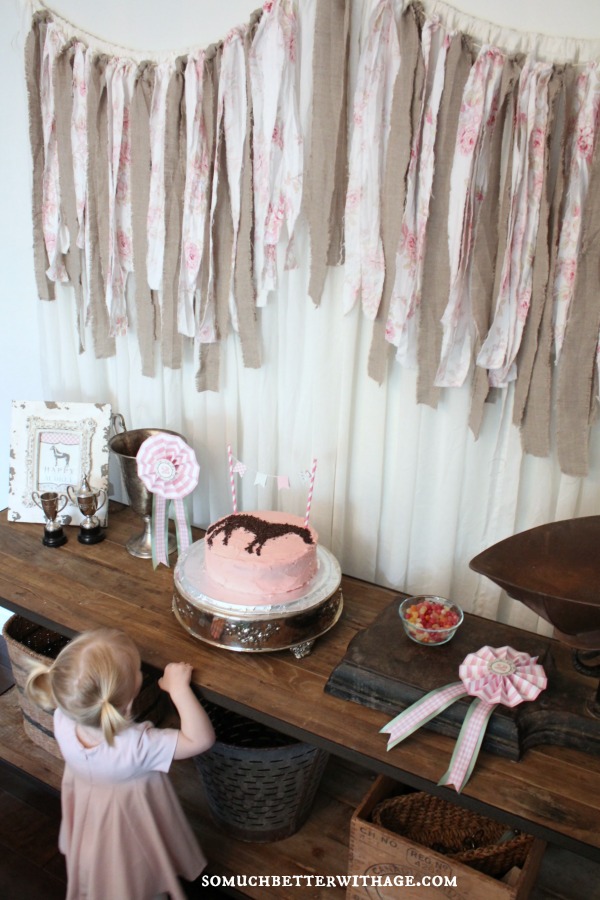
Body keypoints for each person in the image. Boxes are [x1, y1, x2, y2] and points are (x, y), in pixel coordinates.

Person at [25, 627, 216, 900]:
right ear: (126, 707)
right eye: (139, 671)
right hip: (129, 822)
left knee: (105, 862)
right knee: (134, 870)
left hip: (91, 811)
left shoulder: (63, 716)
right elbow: (201, 739)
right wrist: (179, 689)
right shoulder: (138, 745)